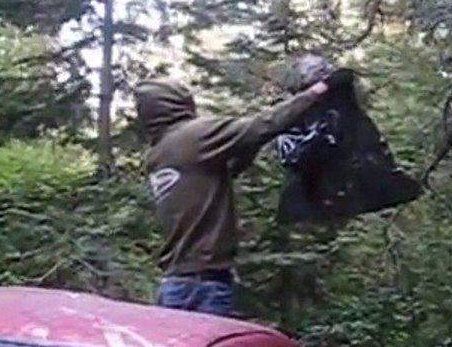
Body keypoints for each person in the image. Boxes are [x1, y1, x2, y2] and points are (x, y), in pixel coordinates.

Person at [134, 67, 354, 316]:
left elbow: (226, 170)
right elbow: (261, 126)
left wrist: (252, 142)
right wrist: (319, 89)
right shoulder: (195, 136)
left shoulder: (159, 152)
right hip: (203, 285)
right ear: (178, 102)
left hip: (175, 283)